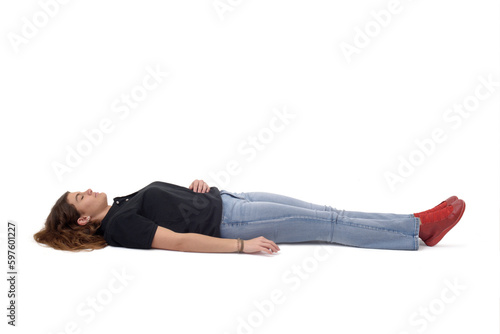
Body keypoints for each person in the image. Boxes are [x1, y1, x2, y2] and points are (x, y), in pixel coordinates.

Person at [33, 179, 465, 254]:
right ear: (82, 221)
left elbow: (170, 206)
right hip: (232, 222)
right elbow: (178, 240)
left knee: (327, 212)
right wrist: (240, 245)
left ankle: (410, 219)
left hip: (231, 198)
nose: (88, 190)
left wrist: (194, 187)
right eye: (80, 197)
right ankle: (418, 229)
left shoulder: (122, 203)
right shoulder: (120, 225)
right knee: (328, 227)